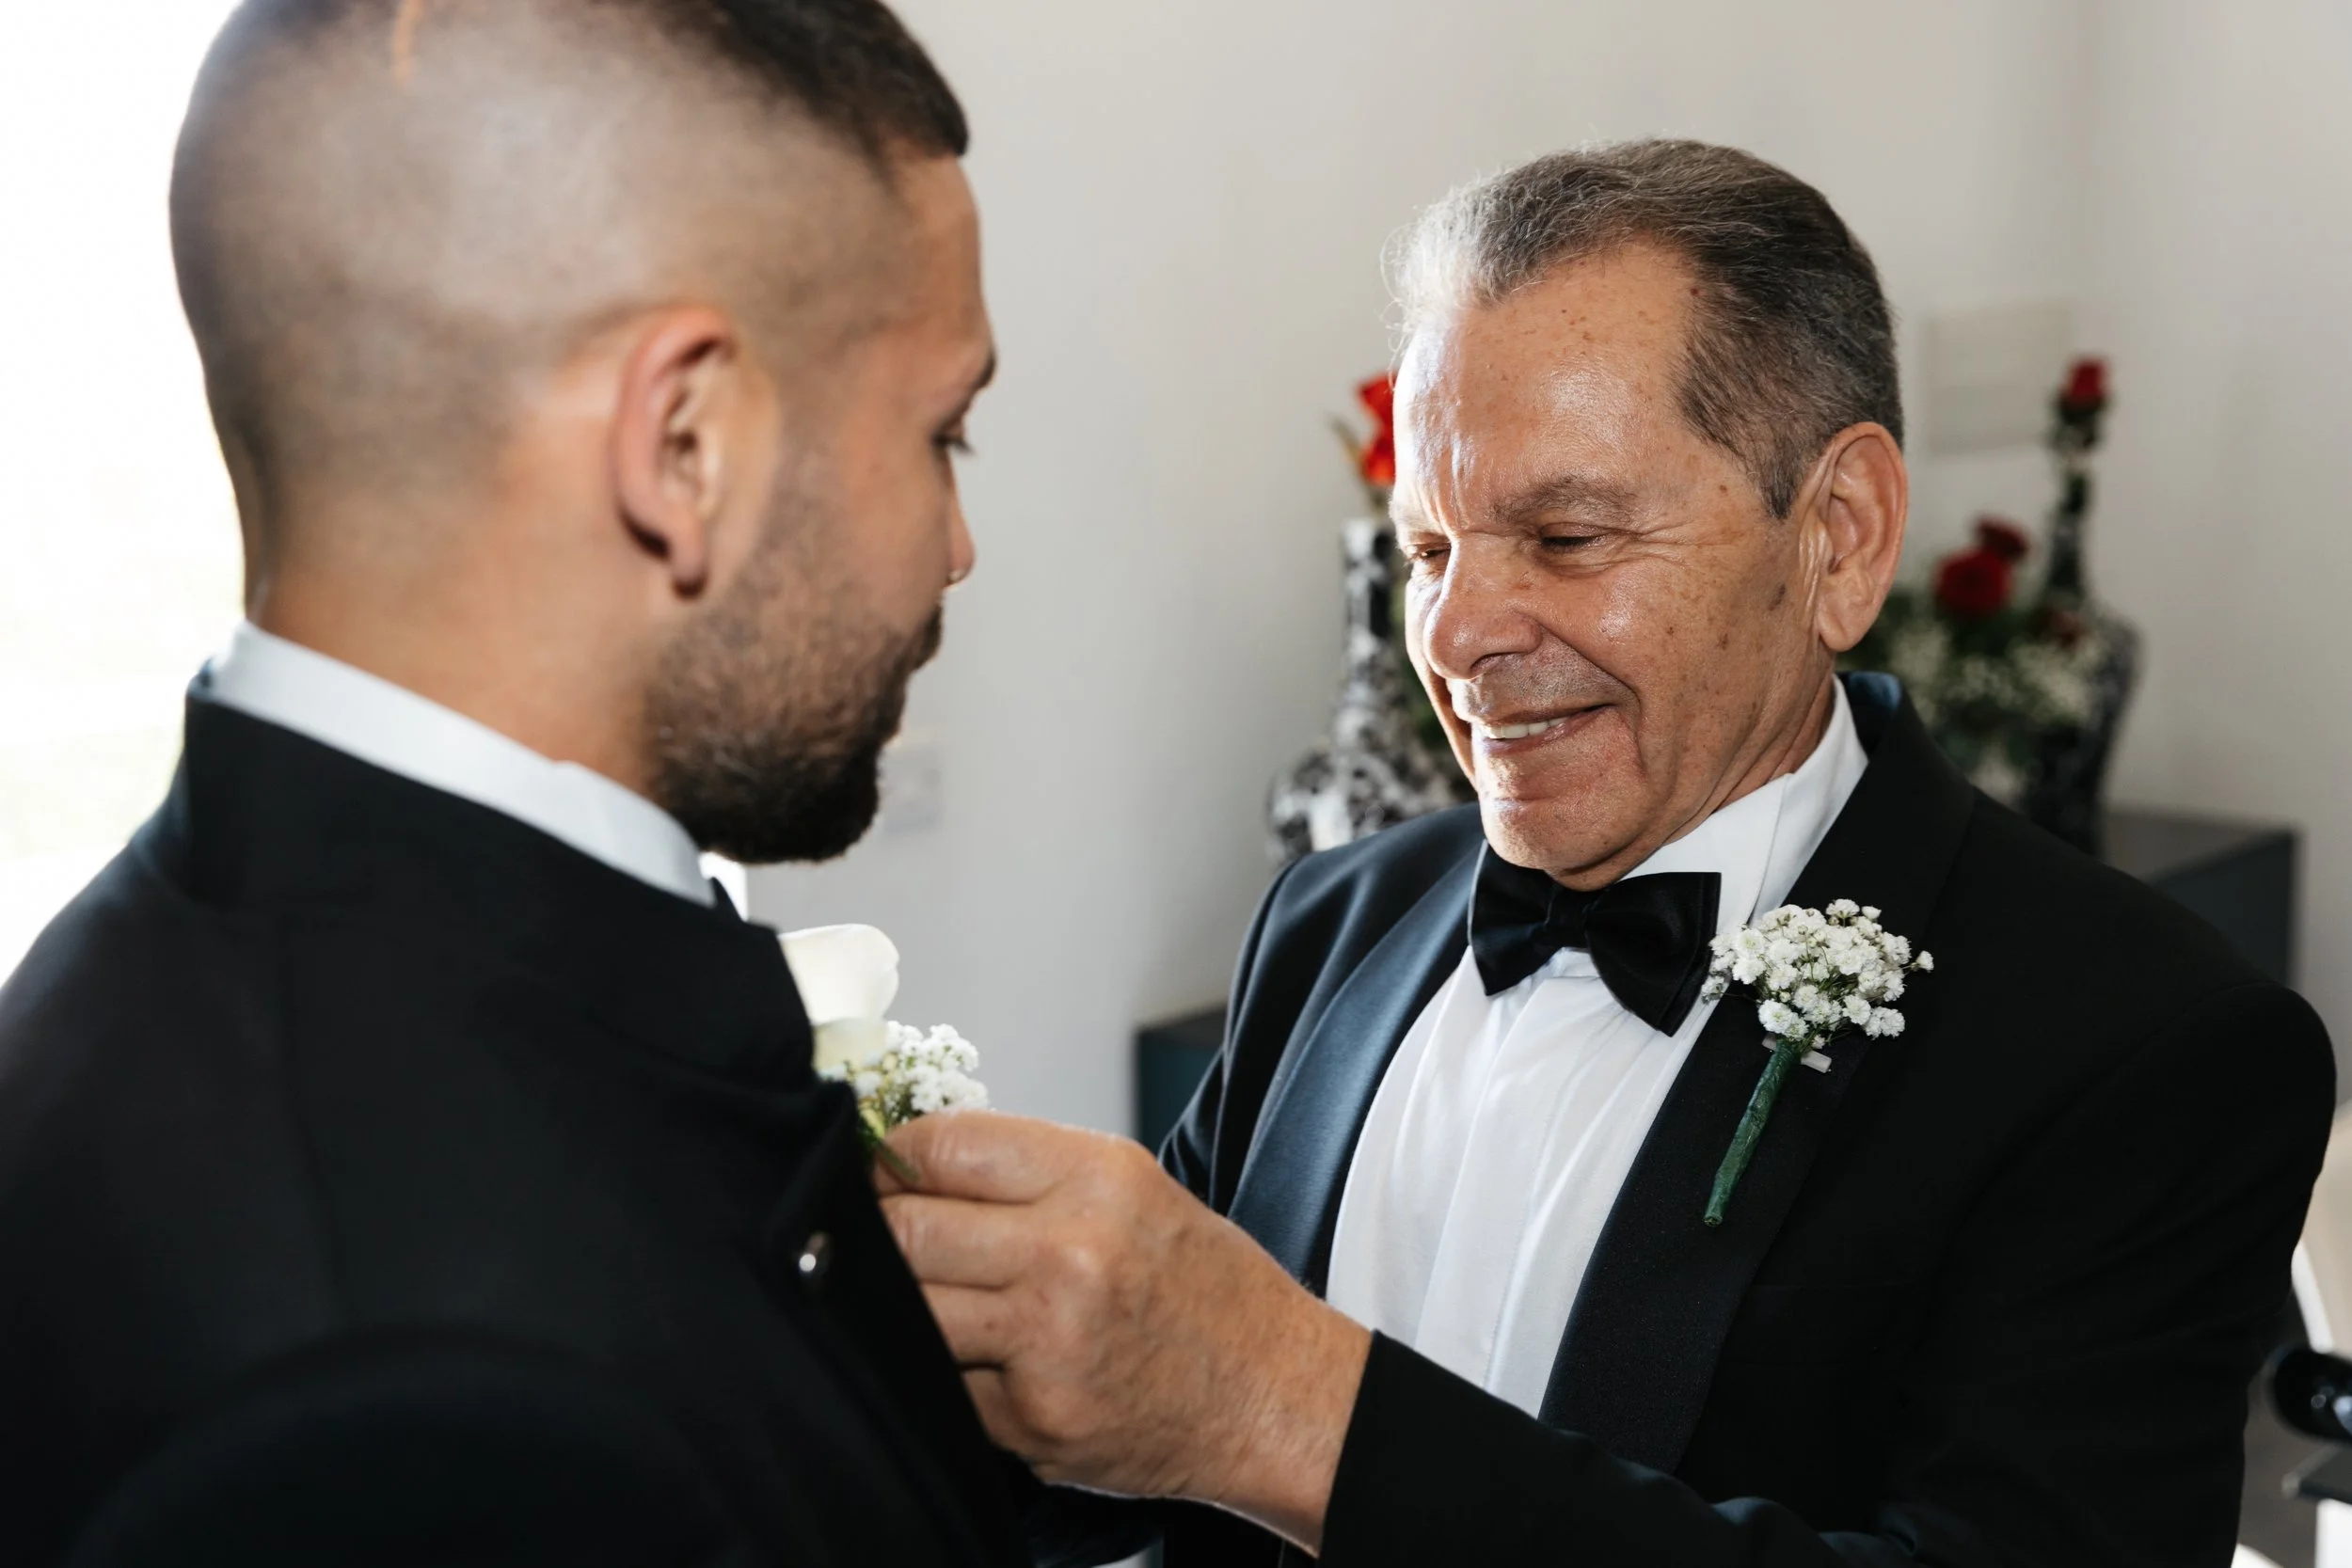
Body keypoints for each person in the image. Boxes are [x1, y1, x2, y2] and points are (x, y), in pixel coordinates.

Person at [879, 141, 2337, 1568]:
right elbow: (1123, 1455)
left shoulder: (2144, 1046)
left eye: (1567, 535)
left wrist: (1297, 1409)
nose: (1456, 635)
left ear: (1838, 537)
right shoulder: (1333, 921)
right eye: (1428, 549)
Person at [0, 1, 1015, 1562]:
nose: (956, 547)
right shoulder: (410, 1419)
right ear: (682, 446)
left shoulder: (146, 986)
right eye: (945, 432)